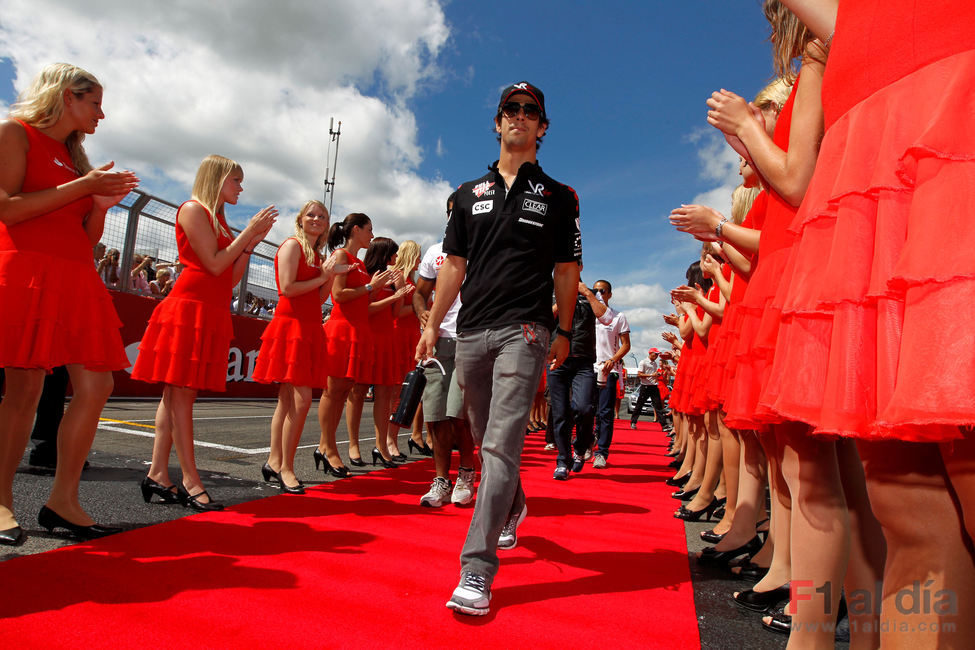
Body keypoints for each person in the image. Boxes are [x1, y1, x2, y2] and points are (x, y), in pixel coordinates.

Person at [766, 0, 975, 644]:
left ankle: (819, 627)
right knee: (902, 510)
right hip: (867, 172)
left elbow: (794, 180)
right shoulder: (825, 48)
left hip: (949, 112)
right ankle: (833, 622)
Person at [417, 80, 581, 616]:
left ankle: (476, 570)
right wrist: (432, 324)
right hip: (471, 335)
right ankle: (514, 503)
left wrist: (562, 330)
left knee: (498, 448)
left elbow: (567, 270)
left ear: (542, 126)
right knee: (486, 438)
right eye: (509, 110)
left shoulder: (560, 196)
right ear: (497, 122)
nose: (518, 117)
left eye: (529, 110)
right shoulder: (467, 194)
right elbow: (454, 268)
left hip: (526, 332)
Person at [0, 62, 139, 544]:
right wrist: (85, 187)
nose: (102, 113)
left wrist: (98, 207)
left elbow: (86, 238)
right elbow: (8, 207)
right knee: (24, 392)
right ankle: (1, 503)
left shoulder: (75, 157)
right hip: (29, 272)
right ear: (67, 97)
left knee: (96, 386)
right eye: (95, 102)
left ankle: (63, 500)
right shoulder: (14, 134)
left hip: (75, 277)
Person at [132, 155, 276, 511]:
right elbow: (212, 263)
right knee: (181, 398)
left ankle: (157, 474)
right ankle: (191, 480)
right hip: (187, 310)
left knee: (175, 396)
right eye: (236, 180)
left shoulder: (221, 221)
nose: (241, 188)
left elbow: (229, 277)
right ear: (218, 178)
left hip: (208, 309)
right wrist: (246, 234)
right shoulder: (193, 210)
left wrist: (250, 243)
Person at [252, 200, 346, 494]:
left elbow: (317, 300)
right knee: (301, 399)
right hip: (289, 326)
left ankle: (274, 460)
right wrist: (323, 275)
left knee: (287, 400)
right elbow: (287, 289)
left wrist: (329, 275)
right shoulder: (292, 246)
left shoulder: (318, 256)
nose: (317, 219)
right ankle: (286, 467)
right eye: (311, 214)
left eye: (322, 216)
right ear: (301, 219)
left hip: (309, 328)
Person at [316, 213, 393, 477]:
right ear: (356, 230)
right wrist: (371, 288)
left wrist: (371, 287)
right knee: (333, 390)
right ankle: (327, 446)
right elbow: (338, 295)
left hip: (357, 330)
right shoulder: (341, 257)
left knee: (343, 390)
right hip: (341, 329)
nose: (372, 235)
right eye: (369, 230)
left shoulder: (358, 264)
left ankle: (326, 445)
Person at [413, 191, 477, 508]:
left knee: (459, 416)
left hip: (470, 341)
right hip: (438, 344)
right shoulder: (435, 252)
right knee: (436, 415)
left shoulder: (483, 248)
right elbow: (419, 293)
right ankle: (440, 480)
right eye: (452, 212)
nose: (456, 217)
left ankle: (466, 471)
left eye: (461, 211)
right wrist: (422, 314)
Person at [344, 237, 413, 469]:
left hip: (386, 338)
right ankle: (353, 445)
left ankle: (381, 446)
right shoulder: (364, 273)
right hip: (366, 335)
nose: (395, 260)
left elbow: (395, 313)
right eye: (392, 255)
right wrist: (384, 293)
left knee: (385, 394)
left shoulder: (396, 277)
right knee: (358, 390)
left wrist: (398, 292)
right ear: (383, 255)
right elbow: (363, 308)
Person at [548, 277, 606, 480]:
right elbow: (545, 319)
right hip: (557, 361)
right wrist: (564, 300)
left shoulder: (591, 292)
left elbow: (604, 316)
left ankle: (580, 448)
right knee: (561, 414)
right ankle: (563, 461)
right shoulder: (551, 293)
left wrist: (587, 294)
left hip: (583, 361)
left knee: (584, 408)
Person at [590, 279, 631, 468]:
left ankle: (602, 452)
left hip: (609, 370)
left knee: (605, 412)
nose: (599, 293)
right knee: (584, 409)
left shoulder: (618, 316)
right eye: (595, 290)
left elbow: (626, 345)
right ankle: (587, 442)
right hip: (587, 369)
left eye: (603, 290)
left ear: (610, 294)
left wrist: (612, 360)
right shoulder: (587, 315)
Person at [630, 348, 670, 430]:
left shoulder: (655, 364)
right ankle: (633, 422)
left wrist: (656, 376)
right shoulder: (643, 362)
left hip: (654, 386)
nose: (657, 356)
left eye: (657, 354)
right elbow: (640, 375)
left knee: (658, 406)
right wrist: (651, 375)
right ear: (650, 353)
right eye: (655, 354)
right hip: (645, 386)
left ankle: (664, 425)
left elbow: (654, 375)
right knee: (639, 405)